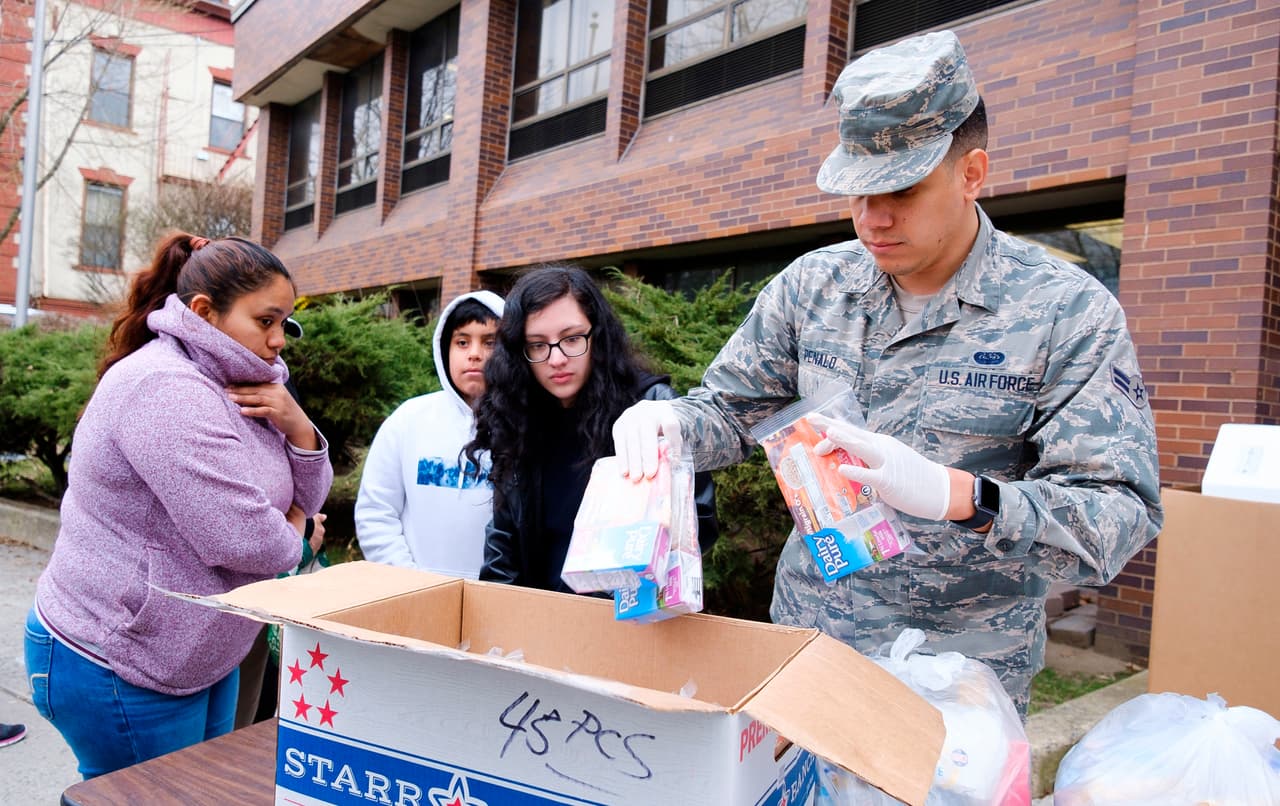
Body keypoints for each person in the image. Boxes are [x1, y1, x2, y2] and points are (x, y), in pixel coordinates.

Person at [611, 30, 1162, 715]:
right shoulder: (813, 287)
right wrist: (669, 422)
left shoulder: (1066, 312)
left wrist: (961, 496)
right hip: (813, 651)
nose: (872, 217)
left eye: (899, 188)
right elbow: (731, 411)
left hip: (962, 682)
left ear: (972, 173)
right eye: (855, 191)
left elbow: (1118, 515)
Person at [24, 233, 333, 777]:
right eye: (266, 321)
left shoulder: (250, 383)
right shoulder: (166, 390)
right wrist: (301, 536)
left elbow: (306, 496)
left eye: (286, 323)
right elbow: (247, 541)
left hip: (200, 653)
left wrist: (300, 430)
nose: (280, 339)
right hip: (121, 658)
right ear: (204, 312)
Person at [467, 265, 718, 592]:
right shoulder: (519, 416)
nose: (556, 359)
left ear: (597, 335)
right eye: (538, 345)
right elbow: (503, 539)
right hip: (541, 618)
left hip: (630, 620)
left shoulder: (650, 409)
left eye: (571, 339)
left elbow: (698, 521)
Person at [355, 291, 505, 575]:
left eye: (490, 342)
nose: (475, 353)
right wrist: (408, 582)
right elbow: (376, 512)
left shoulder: (525, 428)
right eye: (462, 342)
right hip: (413, 593)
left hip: (497, 598)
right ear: (444, 348)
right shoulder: (409, 420)